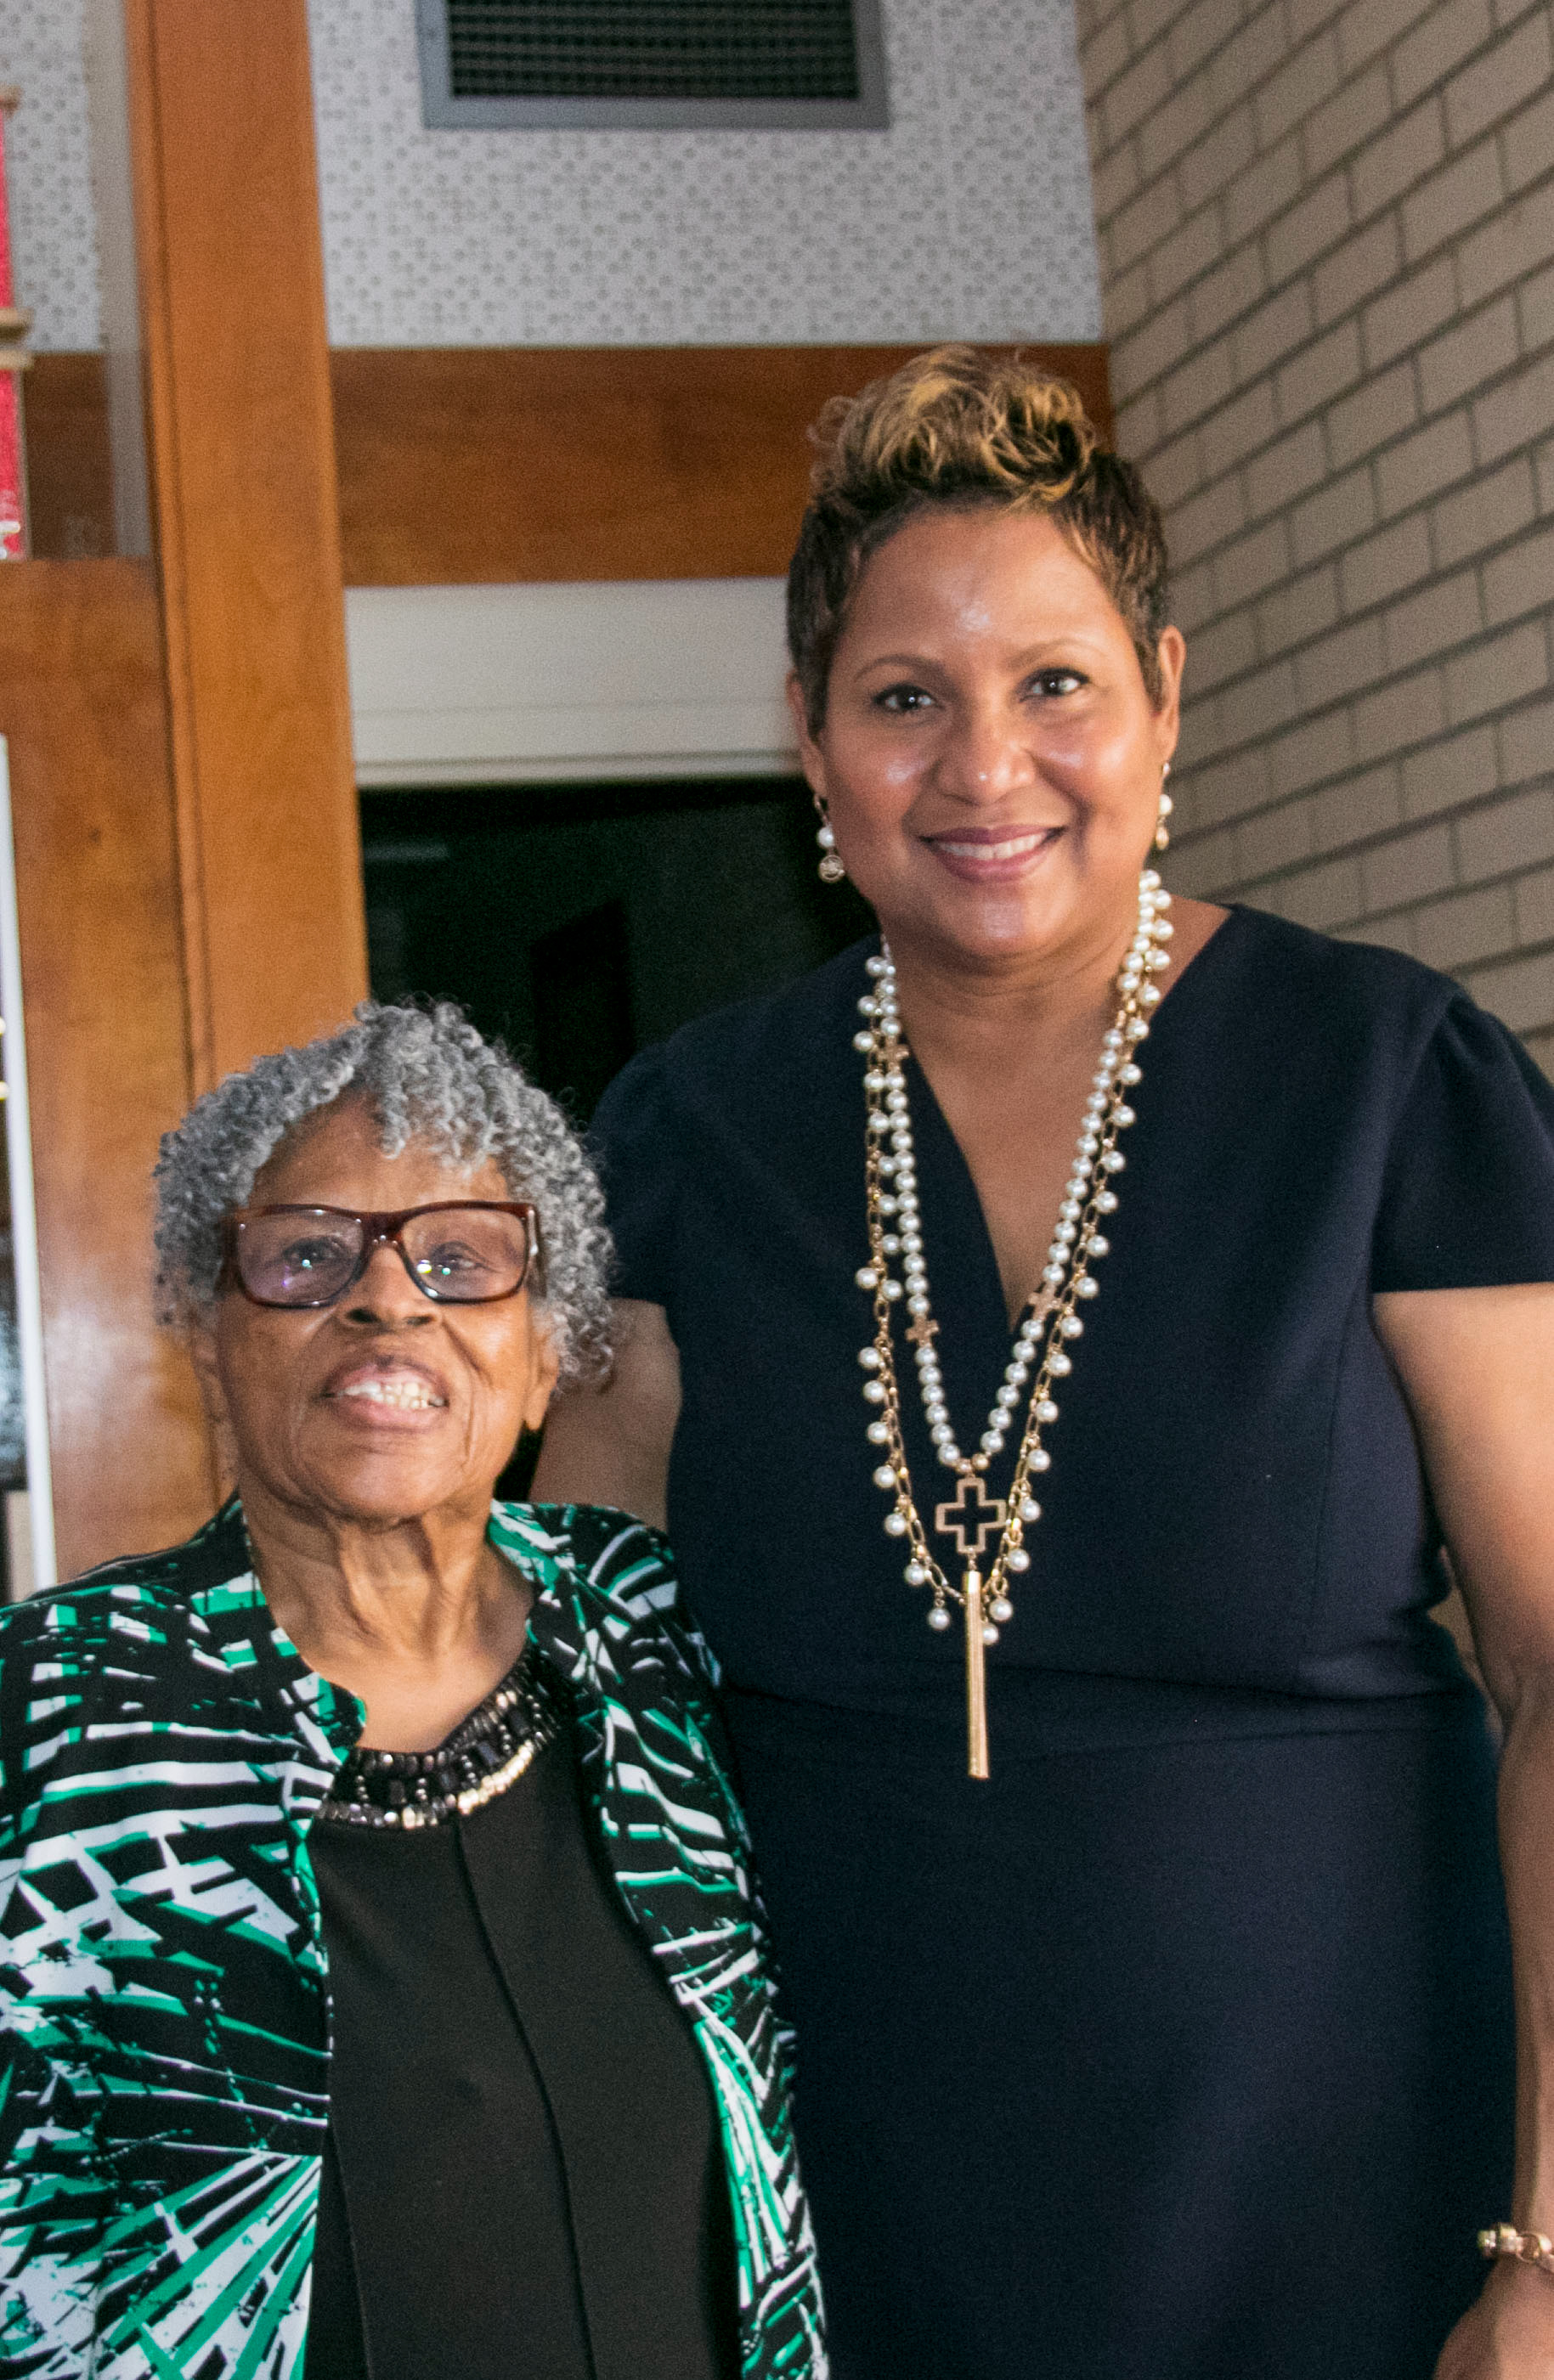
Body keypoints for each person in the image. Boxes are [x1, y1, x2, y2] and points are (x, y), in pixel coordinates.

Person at [534, 347, 1554, 2380]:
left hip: (1362, 2184)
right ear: (811, 741)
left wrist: (1547, 2252)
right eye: (904, 697)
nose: (985, 765)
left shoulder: (1387, 1077)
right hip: (853, 2208)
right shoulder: (683, 1135)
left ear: (1164, 696)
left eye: (1056, 683)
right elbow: (587, 1697)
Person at [0, 1003, 824, 2380]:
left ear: (548, 1353)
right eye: (306, 1255)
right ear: (207, 1334)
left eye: (460, 1260)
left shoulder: (656, 1631)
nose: (387, 1301)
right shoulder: (57, 1707)